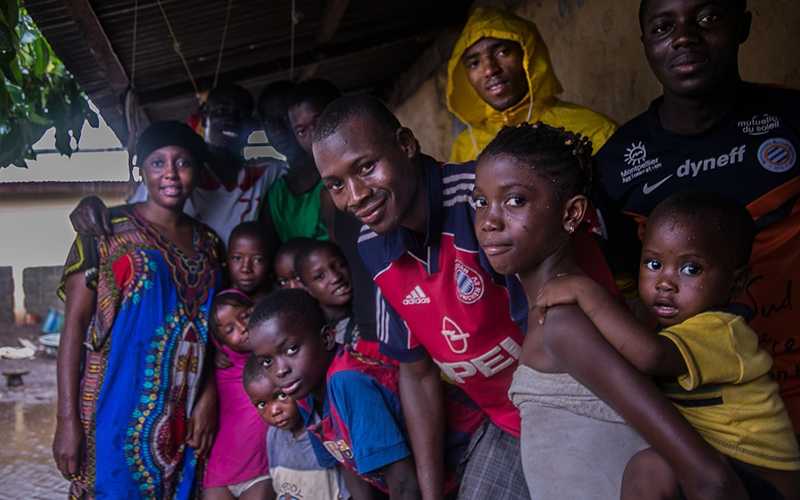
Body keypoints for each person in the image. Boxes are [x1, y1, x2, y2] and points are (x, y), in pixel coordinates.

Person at [311, 95, 622, 499]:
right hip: (508, 420)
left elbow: (565, 333)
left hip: (585, 400)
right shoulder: (373, 242)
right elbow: (416, 372)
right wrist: (431, 493)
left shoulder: (484, 206)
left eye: (366, 167)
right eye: (336, 184)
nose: (355, 196)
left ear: (405, 144)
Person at [473, 122, 758, 499]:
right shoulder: (554, 309)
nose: (490, 221)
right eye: (480, 201)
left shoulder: (565, 322)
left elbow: (707, 474)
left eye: (515, 201)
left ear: (572, 214)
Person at [594, 0, 800, 433]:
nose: (684, 37)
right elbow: (627, 288)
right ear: (646, 43)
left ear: (742, 26)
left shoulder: (792, 119)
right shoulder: (616, 164)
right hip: (707, 411)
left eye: (707, 18)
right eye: (664, 27)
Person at [535, 190, 800, 499]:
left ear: (736, 282)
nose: (665, 282)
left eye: (691, 269)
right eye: (653, 263)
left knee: (649, 468)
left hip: (762, 479)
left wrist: (586, 293)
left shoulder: (722, 330)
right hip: (726, 463)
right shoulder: (664, 326)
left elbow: (651, 357)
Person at [53, 121, 224, 499]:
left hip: (184, 414)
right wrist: (67, 421)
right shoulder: (104, 230)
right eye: (158, 162)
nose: (171, 174)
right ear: (141, 170)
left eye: (182, 163)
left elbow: (214, 331)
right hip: (111, 407)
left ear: (196, 170)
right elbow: (74, 329)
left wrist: (209, 396)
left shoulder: (210, 245)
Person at [247, 289, 421, 498]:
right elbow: (348, 465)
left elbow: (404, 483)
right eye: (267, 362)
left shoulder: (347, 381)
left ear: (327, 338)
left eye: (292, 349)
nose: (280, 370)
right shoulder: (304, 392)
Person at [71, 84, 286, 245]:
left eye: (242, 114)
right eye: (221, 111)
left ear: (252, 123)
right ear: (204, 115)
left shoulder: (266, 174)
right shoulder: (175, 177)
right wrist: (91, 205)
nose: (231, 120)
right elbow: (132, 217)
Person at [445, 6, 617, 163]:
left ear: (529, 54)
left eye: (502, 52)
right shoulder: (465, 148)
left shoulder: (591, 129)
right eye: (474, 63)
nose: (490, 70)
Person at [243, 356, 348, 500]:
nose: (274, 411)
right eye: (262, 404)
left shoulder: (322, 430)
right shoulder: (273, 436)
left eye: (281, 396)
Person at [203, 290, 272, 500]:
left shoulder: (274, 356)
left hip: (261, 470)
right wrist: (213, 353)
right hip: (220, 471)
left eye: (245, 317)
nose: (242, 329)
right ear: (220, 341)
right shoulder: (221, 365)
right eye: (230, 330)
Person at [265, 79, 341, 243]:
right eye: (301, 130)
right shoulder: (277, 196)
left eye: (318, 122)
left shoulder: (342, 180)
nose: (314, 134)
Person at [294, 240, 356, 343]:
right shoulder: (314, 335)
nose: (335, 277)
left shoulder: (371, 309)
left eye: (340, 265)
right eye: (320, 276)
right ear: (306, 288)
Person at [228, 221, 273, 301]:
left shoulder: (278, 302)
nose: (245, 269)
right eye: (237, 258)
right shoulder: (218, 303)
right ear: (227, 259)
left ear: (270, 262)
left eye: (257, 260)